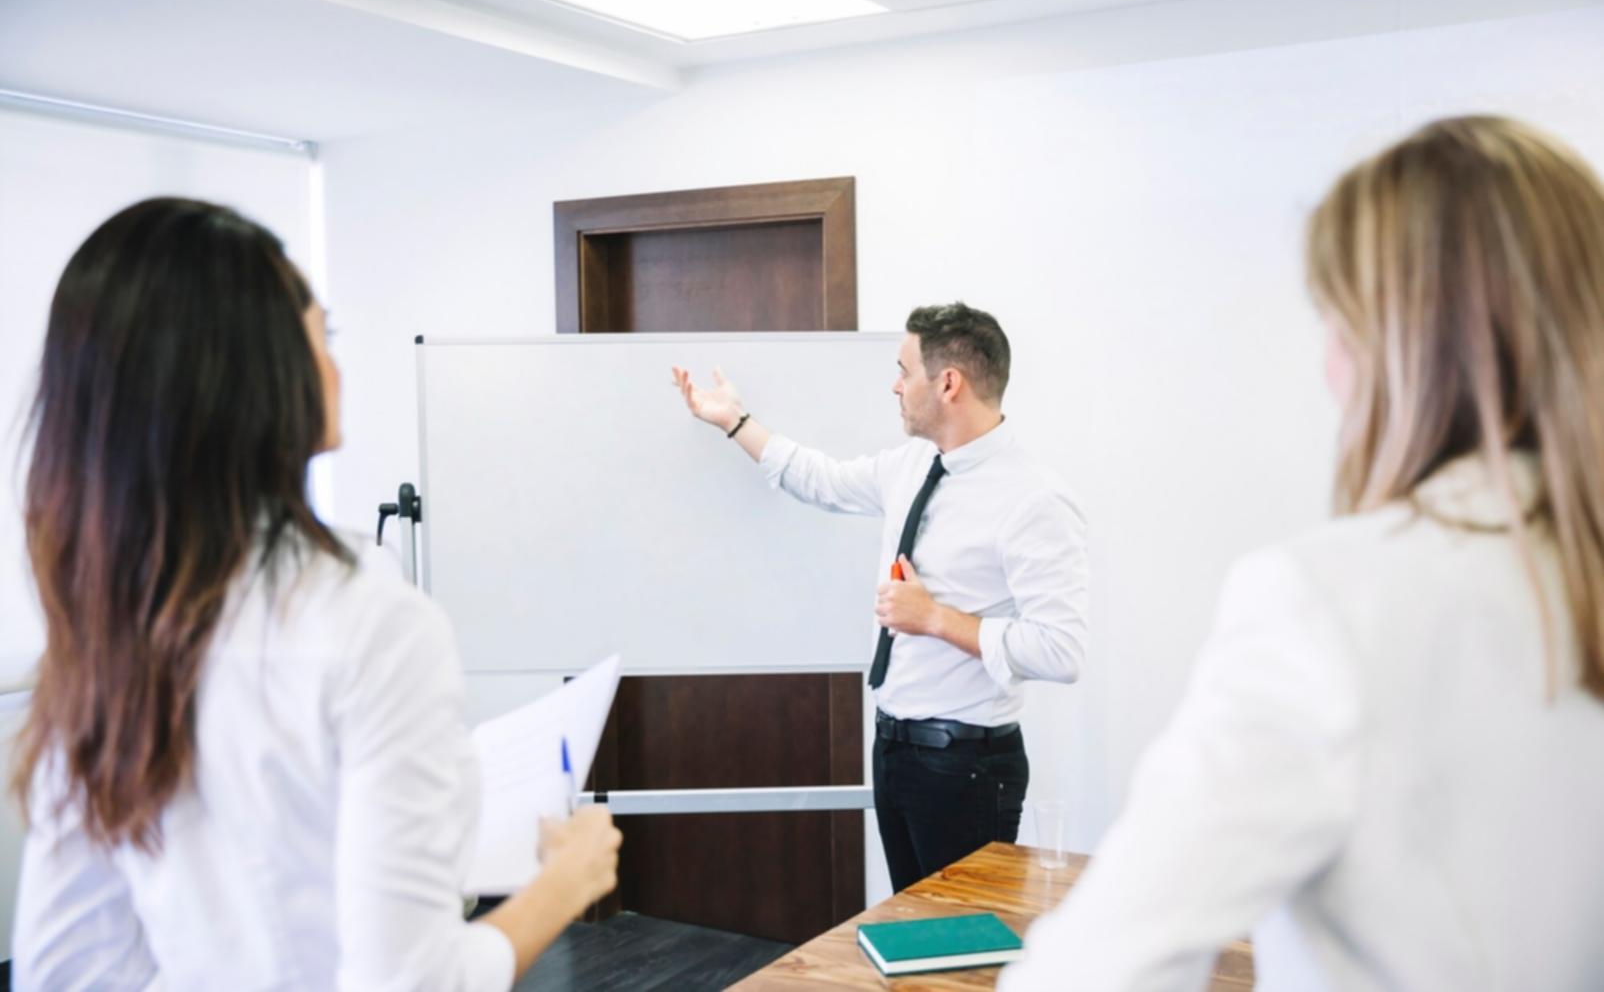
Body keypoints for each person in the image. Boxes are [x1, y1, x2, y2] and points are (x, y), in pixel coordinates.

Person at [999, 116, 1604, 990]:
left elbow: (1098, 969)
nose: (1328, 369)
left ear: (1402, 346)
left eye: (1337, 323)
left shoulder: (1331, 601)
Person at [12, 198, 621, 989]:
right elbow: (410, 982)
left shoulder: (104, 633)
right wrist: (565, 881)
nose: (335, 365)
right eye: (321, 335)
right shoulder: (373, 628)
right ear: (254, 375)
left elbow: (67, 969)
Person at [672, 303, 1089, 891]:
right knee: (916, 941)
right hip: (896, 750)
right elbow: (823, 480)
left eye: (904, 370)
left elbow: (1060, 650)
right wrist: (736, 422)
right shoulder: (915, 464)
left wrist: (935, 618)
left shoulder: (1033, 499)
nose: (895, 385)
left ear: (948, 383)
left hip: (966, 768)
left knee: (965, 956)